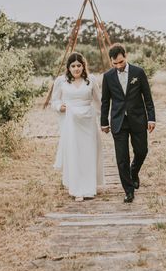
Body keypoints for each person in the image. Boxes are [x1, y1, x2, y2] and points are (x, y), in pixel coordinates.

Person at [101, 43, 156, 203]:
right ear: (111, 61)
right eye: (115, 63)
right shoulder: (108, 76)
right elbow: (105, 101)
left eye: (121, 62)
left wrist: (151, 118)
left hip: (138, 119)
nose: (118, 66)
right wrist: (104, 122)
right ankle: (129, 190)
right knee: (121, 158)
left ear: (126, 56)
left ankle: (134, 171)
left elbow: (148, 97)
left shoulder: (138, 72)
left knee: (142, 151)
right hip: (118, 121)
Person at [51, 52, 104, 201]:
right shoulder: (61, 81)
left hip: (88, 121)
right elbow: (54, 101)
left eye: (79, 65)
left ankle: (89, 188)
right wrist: (60, 107)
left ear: (83, 66)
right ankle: (77, 190)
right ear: (68, 67)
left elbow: (99, 102)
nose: (76, 69)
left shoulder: (91, 80)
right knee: (74, 154)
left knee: (88, 153)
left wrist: (104, 121)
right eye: (73, 66)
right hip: (71, 122)